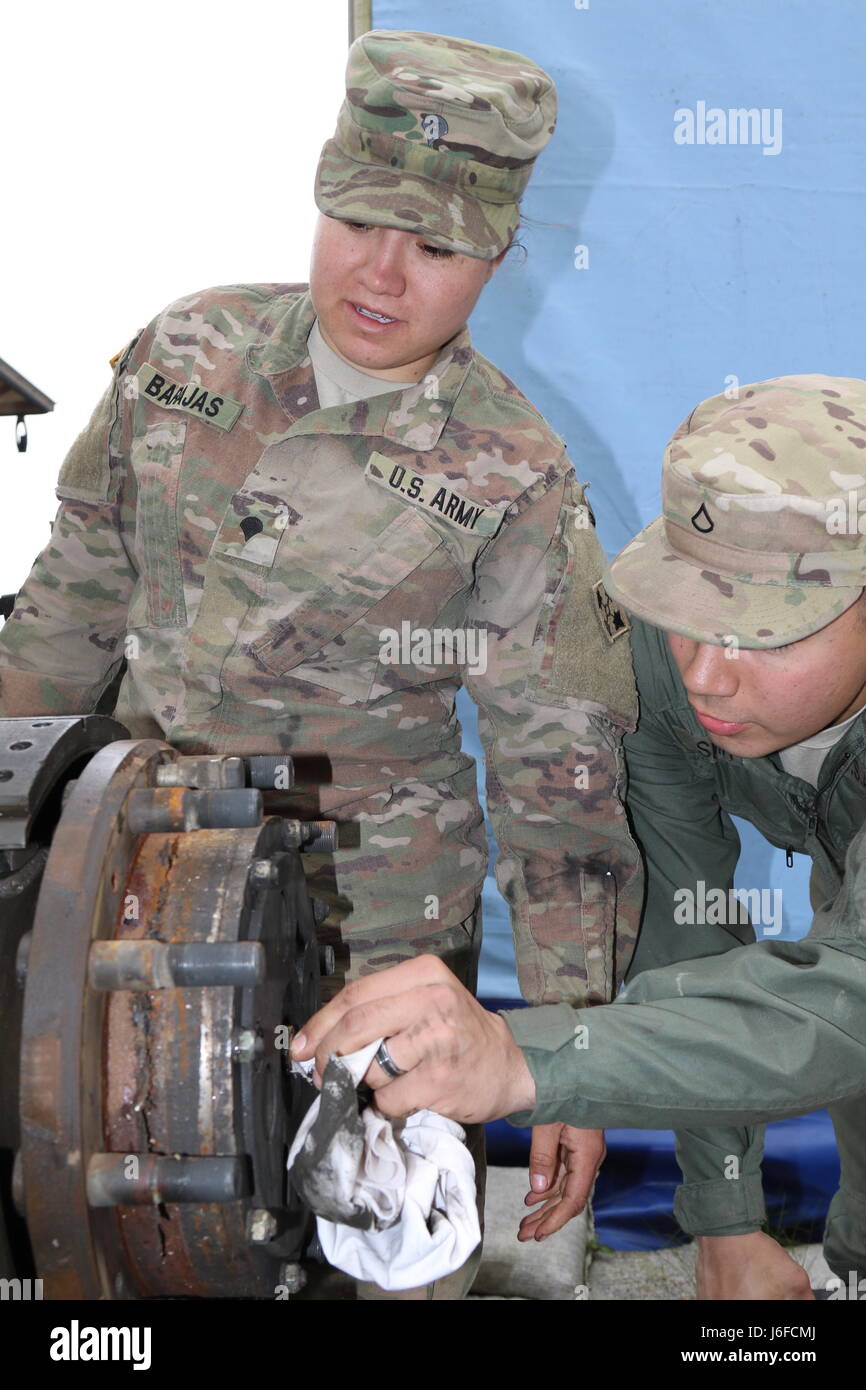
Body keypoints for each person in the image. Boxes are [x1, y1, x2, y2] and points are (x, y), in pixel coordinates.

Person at [0, 29, 643, 1298]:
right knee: (102, 1238)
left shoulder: (517, 475)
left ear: (500, 258)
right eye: (358, 220)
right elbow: (69, 608)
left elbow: (554, 782)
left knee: (337, 1257)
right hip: (120, 883)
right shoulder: (186, 354)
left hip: (360, 941)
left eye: (438, 247)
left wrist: (579, 1052)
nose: (383, 274)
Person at [293, 374, 866, 1301]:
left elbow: (853, 997)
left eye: (761, 631)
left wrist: (528, 1060)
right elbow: (693, 918)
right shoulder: (662, 661)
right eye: (689, 615)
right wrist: (727, 1219)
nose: (706, 675)